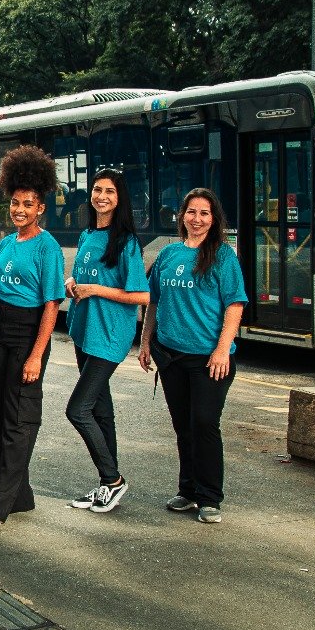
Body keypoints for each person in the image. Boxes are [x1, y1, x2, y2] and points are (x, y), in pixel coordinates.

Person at [0, 146, 65, 528]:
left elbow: (52, 305)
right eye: (15, 203)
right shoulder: (6, 244)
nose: (19, 209)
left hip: (27, 333)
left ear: (41, 208)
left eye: (28, 204)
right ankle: (18, 495)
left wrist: (37, 355)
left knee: (20, 417)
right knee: (2, 415)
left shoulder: (47, 247)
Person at [138, 187, 248, 525]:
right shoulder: (169, 255)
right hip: (171, 356)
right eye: (191, 212)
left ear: (213, 219)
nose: (196, 219)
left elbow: (234, 305)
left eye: (204, 213)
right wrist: (144, 343)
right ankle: (187, 490)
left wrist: (221, 350)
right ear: (181, 216)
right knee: (182, 427)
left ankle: (210, 496)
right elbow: (154, 302)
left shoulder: (222, 256)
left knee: (204, 424)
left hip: (209, 359)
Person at [64, 169, 149, 514]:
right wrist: (73, 281)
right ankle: (105, 486)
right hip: (85, 330)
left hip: (109, 335)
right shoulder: (87, 235)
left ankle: (113, 479)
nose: (101, 196)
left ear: (120, 198)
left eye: (109, 191)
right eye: (97, 190)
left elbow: (141, 294)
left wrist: (96, 290)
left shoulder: (126, 241)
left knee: (77, 409)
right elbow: (86, 276)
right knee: (101, 411)